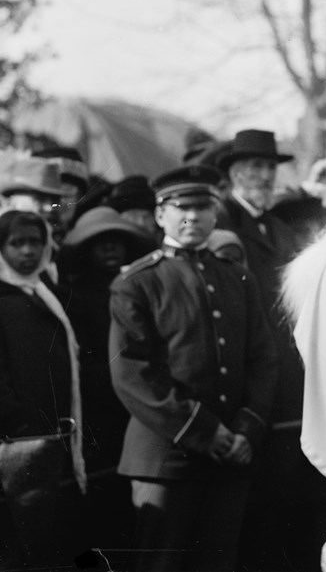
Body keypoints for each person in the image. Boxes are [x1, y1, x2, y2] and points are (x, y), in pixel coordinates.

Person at [108, 165, 278, 572]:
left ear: (216, 213)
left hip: (231, 453)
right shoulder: (137, 283)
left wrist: (246, 428)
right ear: (159, 215)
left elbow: (262, 358)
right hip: (168, 456)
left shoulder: (238, 278)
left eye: (203, 207)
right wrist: (206, 432)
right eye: (180, 207)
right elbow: (133, 375)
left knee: (219, 563)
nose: (192, 217)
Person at [215, 128, 326, 570]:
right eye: (254, 167)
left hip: (292, 378)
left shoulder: (282, 229)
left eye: (269, 167)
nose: (263, 175)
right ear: (232, 172)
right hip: (248, 380)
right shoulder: (222, 222)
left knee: (296, 510)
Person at [60, 205, 155, 554]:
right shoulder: (75, 296)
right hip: (101, 413)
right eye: (101, 243)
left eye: (118, 240)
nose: (111, 248)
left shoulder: (141, 288)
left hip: (142, 410)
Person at [0, 209, 87, 569]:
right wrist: (17, 425)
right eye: (16, 243)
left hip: (53, 436)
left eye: (35, 242)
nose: (27, 252)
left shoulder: (45, 291)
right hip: (19, 445)